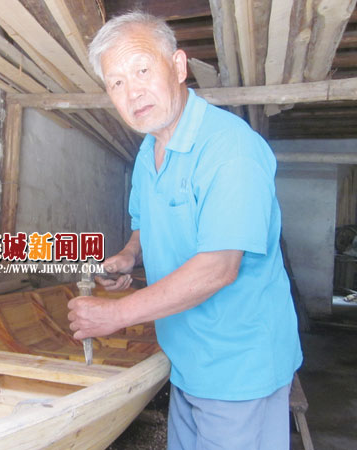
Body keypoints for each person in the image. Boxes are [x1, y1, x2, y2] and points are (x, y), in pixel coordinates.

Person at [67, 11, 303, 450]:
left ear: (178, 66)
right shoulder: (149, 148)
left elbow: (219, 267)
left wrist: (116, 315)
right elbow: (145, 223)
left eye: (142, 70)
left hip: (238, 368)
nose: (133, 92)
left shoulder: (231, 150)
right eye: (116, 82)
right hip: (187, 358)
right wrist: (129, 256)